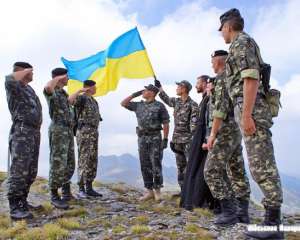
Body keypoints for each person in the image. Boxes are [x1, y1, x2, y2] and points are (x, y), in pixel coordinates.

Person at [218, 8, 283, 239]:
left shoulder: (241, 43)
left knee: (262, 166)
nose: (221, 35)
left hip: (252, 110)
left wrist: (246, 115)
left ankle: (273, 225)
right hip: (248, 108)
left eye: (221, 30)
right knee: (259, 166)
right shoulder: (242, 44)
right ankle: (272, 221)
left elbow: (250, 78)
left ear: (228, 26)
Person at [204, 50, 250, 226]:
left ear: (219, 61)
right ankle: (242, 213)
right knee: (237, 169)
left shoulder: (223, 78)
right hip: (235, 129)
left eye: (212, 62)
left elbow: (220, 110)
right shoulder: (232, 77)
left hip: (224, 130)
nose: (212, 65)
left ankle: (229, 211)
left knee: (211, 170)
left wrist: (213, 134)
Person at [5, 62, 42, 220]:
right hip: (22, 131)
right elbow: (9, 78)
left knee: (31, 170)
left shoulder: (29, 89)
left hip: (34, 132)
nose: (32, 74)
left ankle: (23, 202)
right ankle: (14, 206)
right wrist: (26, 69)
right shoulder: (14, 86)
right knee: (19, 170)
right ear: (22, 71)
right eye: (30, 71)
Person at [121, 84, 170, 202]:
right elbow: (123, 103)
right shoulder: (139, 105)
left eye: (146, 90)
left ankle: (158, 191)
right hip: (142, 138)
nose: (143, 91)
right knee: (145, 164)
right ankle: (149, 191)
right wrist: (135, 94)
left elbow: (166, 123)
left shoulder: (159, 106)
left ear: (152, 93)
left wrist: (165, 139)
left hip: (155, 138)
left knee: (156, 164)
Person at [180, 75, 217, 211]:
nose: (196, 86)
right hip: (199, 140)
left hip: (205, 140)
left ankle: (203, 201)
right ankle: (196, 200)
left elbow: (210, 121)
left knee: (204, 172)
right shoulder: (204, 99)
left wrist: (206, 138)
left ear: (206, 84)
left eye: (198, 83)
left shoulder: (210, 99)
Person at [155, 79, 199, 191]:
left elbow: (194, 126)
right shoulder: (177, 102)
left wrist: (193, 141)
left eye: (178, 86)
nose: (177, 88)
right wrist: (159, 88)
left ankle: (192, 193)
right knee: (180, 167)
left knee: (190, 167)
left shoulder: (193, 105)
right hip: (177, 141)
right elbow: (166, 99)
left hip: (188, 142)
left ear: (184, 89)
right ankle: (183, 191)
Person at [44, 68, 75, 210]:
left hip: (67, 130)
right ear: (61, 77)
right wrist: (58, 78)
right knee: (58, 162)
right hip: (58, 129)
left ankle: (66, 193)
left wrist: (79, 92)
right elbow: (47, 87)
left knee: (69, 162)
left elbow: (70, 102)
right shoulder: (52, 90)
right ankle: (54, 196)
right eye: (67, 77)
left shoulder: (63, 93)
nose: (68, 79)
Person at [69, 80, 103, 198]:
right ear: (89, 88)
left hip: (93, 131)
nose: (96, 89)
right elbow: (70, 101)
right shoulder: (82, 98)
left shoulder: (94, 101)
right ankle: (81, 188)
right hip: (84, 131)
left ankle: (89, 187)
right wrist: (79, 91)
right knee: (84, 158)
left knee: (92, 159)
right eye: (95, 87)